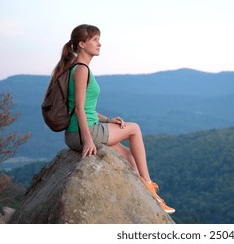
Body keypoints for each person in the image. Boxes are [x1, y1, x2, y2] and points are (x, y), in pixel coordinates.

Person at [48, 24, 175, 214]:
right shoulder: (81, 69)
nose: (100, 44)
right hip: (85, 133)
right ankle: (149, 185)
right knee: (134, 129)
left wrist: (107, 120)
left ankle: (148, 199)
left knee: (130, 155)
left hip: (78, 133)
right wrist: (88, 140)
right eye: (95, 39)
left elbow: (86, 107)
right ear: (82, 44)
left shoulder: (76, 68)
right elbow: (79, 109)